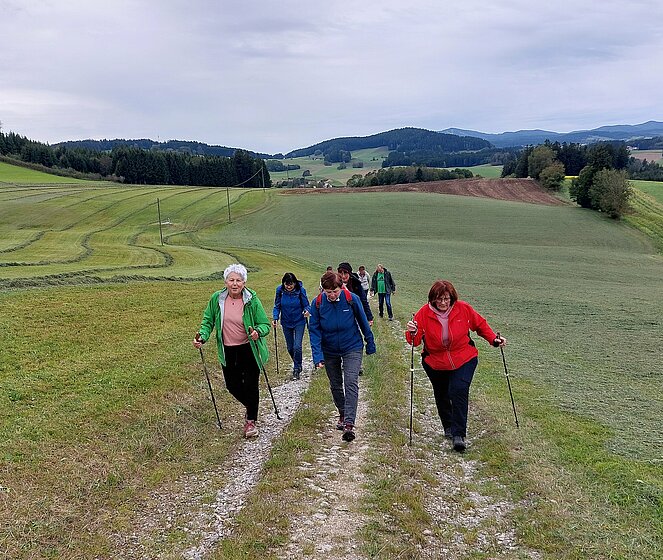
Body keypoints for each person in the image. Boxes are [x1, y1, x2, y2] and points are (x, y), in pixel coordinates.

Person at [405, 280, 506, 452]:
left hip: (464, 357)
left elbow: (480, 325)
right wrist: (412, 331)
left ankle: (459, 435)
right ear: (432, 299)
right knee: (442, 393)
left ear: (452, 298)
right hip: (435, 361)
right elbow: (414, 342)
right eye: (439, 299)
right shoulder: (423, 313)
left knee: (458, 390)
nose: (443, 302)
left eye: (446, 298)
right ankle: (448, 426)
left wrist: (493, 339)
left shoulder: (463, 308)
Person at [193, 264, 271, 439]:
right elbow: (208, 321)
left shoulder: (251, 300)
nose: (235, 283)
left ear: (244, 283)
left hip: (249, 349)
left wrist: (258, 332)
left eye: (238, 280)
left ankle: (250, 421)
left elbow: (265, 324)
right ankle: (251, 407)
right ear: (225, 282)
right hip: (228, 350)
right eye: (231, 280)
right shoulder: (217, 299)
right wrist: (202, 337)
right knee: (232, 386)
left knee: (251, 385)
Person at [309, 271, 376, 442]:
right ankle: (342, 412)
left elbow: (363, 321)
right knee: (336, 384)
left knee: (351, 381)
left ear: (342, 287)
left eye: (335, 291)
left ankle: (349, 424)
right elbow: (314, 330)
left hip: (352, 346)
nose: (332, 295)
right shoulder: (317, 303)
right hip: (329, 349)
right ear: (323, 290)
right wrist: (317, 356)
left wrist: (370, 342)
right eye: (328, 292)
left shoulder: (351, 299)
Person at [272, 272, 311, 380]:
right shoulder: (280, 291)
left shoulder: (300, 290)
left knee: (297, 346)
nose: (289, 287)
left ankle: (297, 368)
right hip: (286, 322)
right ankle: (298, 363)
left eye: (291, 284)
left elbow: (307, 305)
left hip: (299, 321)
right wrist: (275, 318)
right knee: (290, 348)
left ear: (295, 283)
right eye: (286, 284)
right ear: (283, 283)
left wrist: (306, 311)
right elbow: (277, 306)